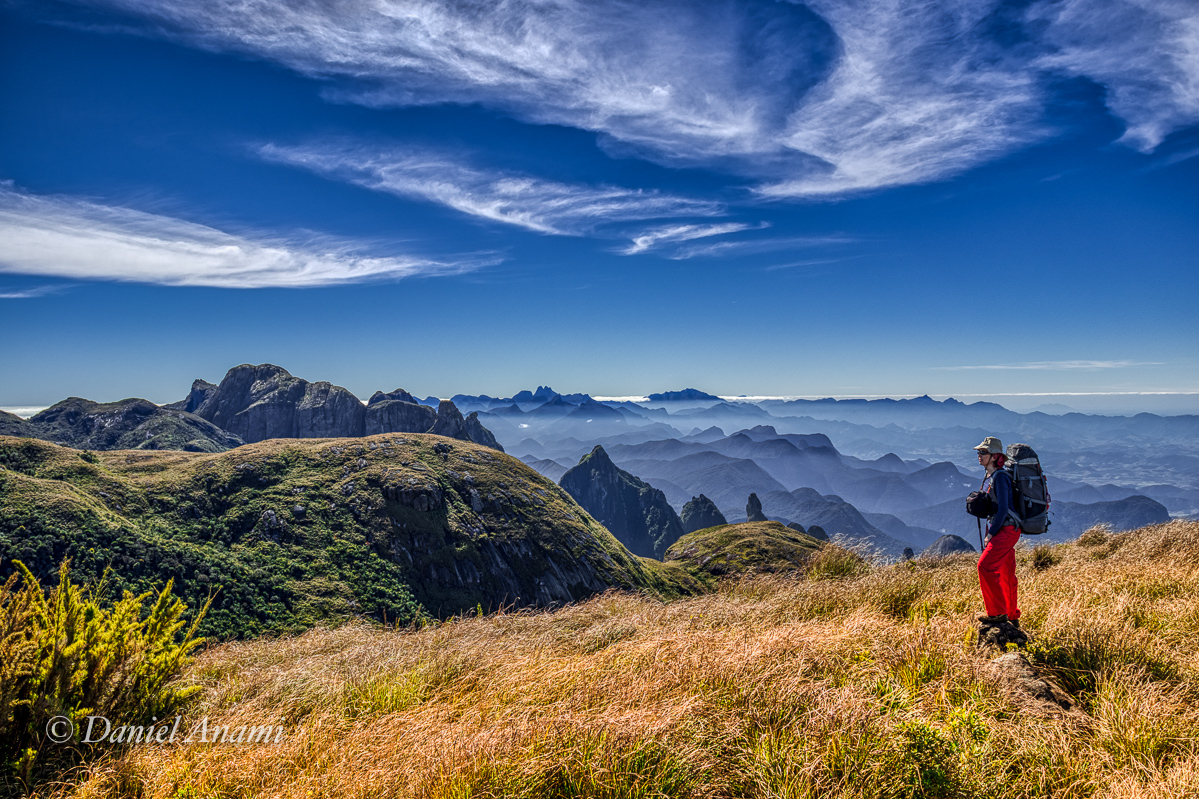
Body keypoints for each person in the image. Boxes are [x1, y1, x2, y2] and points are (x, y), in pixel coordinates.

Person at [974, 436, 1021, 625]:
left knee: (985, 567)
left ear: (994, 456)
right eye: (978, 452)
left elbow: (1002, 508)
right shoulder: (994, 476)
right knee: (1006, 573)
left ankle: (996, 614)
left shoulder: (1000, 477)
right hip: (1008, 529)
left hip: (1006, 530)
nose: (979, 455)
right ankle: (1011, 615)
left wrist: (991, 533)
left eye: (983, 452)